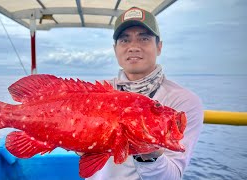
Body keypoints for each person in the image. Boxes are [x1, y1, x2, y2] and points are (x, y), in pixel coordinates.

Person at [85, 7, 204, 180]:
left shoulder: (184, 102)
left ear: (159, 47)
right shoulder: (97, 94)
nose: (133, 47)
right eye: (125, 40)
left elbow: (173, 176)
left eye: (144, 38)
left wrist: (151, 154)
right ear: (115, 49)